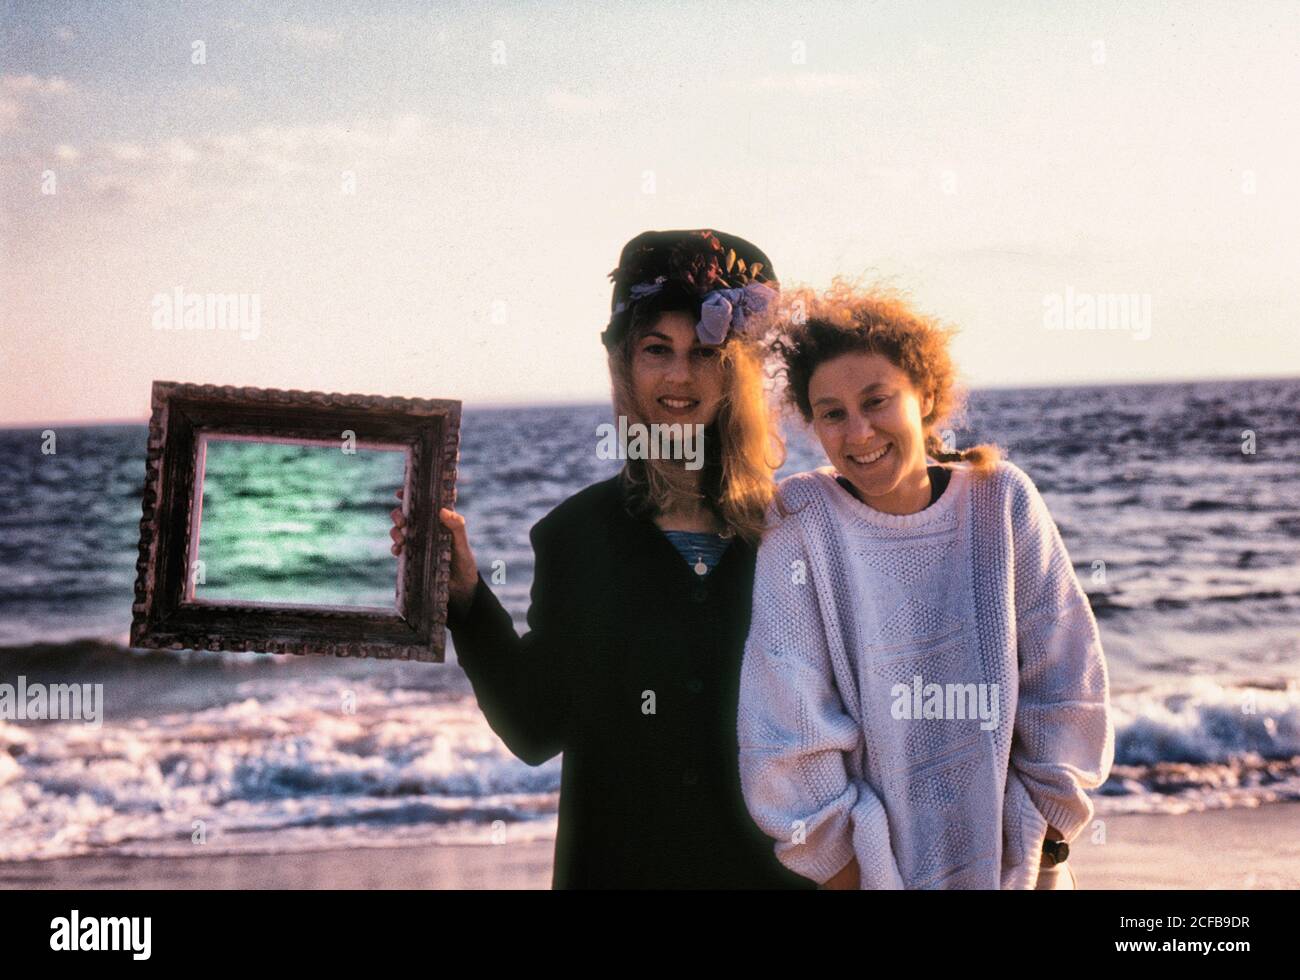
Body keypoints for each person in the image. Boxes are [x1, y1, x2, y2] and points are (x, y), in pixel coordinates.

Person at [393, 229, 814, 889]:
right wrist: (466, 598)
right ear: (624, 363)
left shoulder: (801, 533)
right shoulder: (576, 536)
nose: (680, 375)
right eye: (656, 350)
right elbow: (536, 728)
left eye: (706, 352)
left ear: (741, 369)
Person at [736, 280, 1115, 889]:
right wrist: (844, 870)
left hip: (1019, 867)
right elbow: (788, 722)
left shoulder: (1002, 500)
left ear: (925, 395)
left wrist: (1046, 842)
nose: (858, 432)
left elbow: (1066, 677)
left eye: (877, 401)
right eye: (833, 413)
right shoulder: (802, 522)